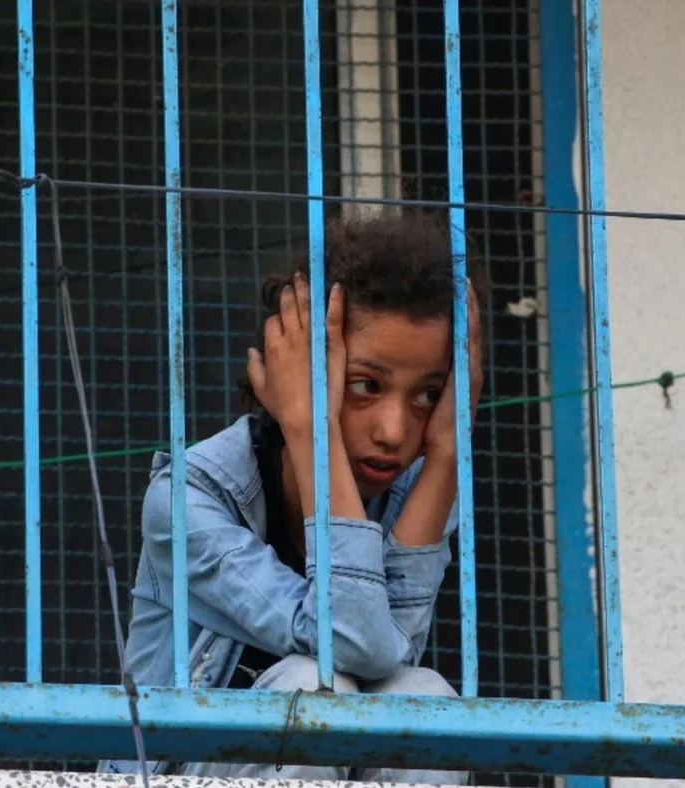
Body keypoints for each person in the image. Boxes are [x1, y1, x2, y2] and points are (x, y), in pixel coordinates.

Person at [100, 209, 486, 784]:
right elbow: (350, 644)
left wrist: (450, 453)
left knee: (423, 694)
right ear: (295, 376)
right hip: (176, 774)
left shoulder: (421, 491)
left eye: (428, 394)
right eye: (365, 385)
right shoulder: (190, 498)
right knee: (311, 684)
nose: (395, 431)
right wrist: (312, 432)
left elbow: (390, 658)